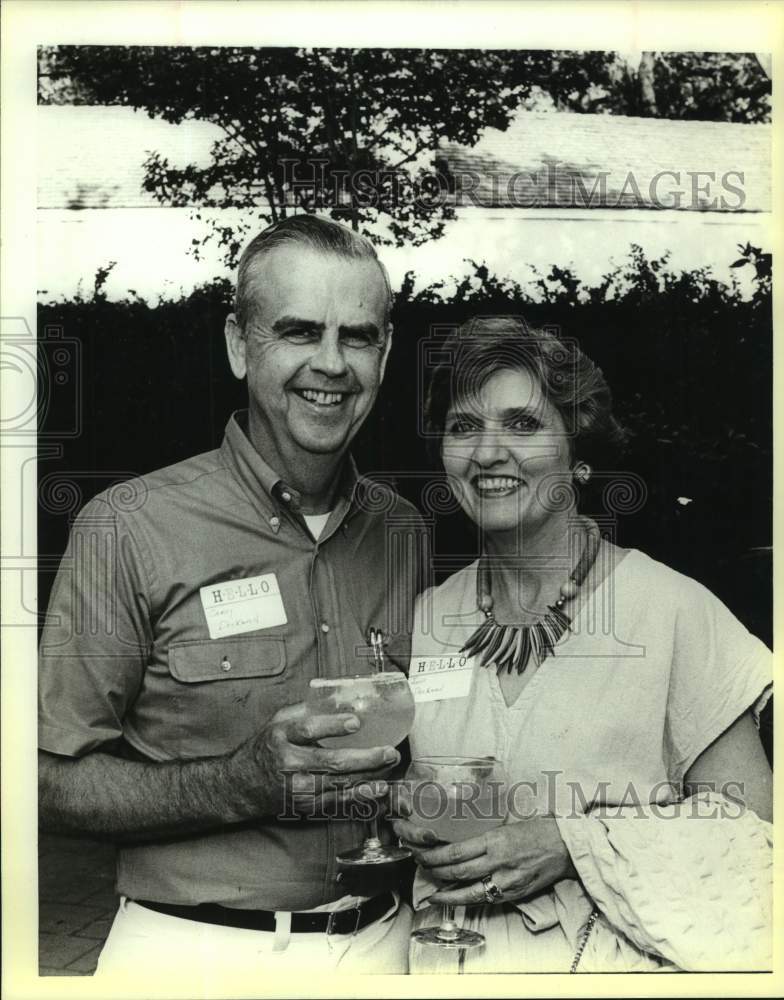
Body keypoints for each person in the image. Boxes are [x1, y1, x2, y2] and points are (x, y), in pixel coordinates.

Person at [38, 216, 429, 978]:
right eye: (298, 331)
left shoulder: (404, 531)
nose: (331, 364)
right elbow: (46, 782)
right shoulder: (128, 528)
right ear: (239, 344)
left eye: (358, 336)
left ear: (384, 353)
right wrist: (239, 783)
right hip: (192, 956)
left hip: (389, 947)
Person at [393, 315, 772, 973]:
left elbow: (758, 836)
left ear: (582, 452)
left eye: (522, 424)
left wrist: (573, 842)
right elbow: (422, 784)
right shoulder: (427, 617)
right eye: (462, 427)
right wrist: (403, 802)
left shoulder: (674, 611)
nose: (486, 453)